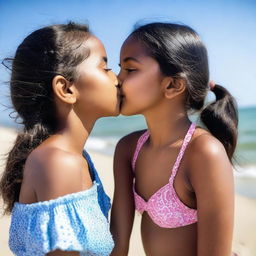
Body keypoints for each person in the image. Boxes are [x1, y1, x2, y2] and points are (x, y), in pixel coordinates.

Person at [110, 22, 238, 256]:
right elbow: (117, 245)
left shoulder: (204, 153)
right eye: (119, 69)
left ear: (172, 85)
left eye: (129, 69)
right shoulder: (128, 149)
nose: (117, 79)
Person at [0, 22, 120, 256]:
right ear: (66, 89)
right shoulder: (58, 162)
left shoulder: (75, 157)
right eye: (105, 67)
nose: (116, 78)